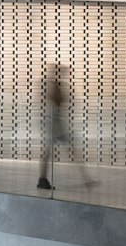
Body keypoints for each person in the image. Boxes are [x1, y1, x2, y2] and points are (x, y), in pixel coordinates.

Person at [36, 62, 92, 190]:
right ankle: (86, 179)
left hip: (57, 125)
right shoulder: (50, 85)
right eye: (61, 72)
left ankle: (42, 180)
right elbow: (53, 103)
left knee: (60, 151)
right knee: (57, 152)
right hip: (53, 126)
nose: (64, 74)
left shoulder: (56, 85)